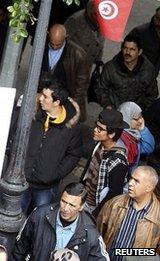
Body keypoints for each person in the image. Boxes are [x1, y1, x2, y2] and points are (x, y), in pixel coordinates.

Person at [22, 78, 82, 213]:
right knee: (15, 217)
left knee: (40, 221)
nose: (40, 99)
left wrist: (56, 173)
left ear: (56, 102)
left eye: (45, 97)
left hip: (46, 186)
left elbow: (74, 154)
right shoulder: (34, 116)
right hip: (22, 180)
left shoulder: (71, 127)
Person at [12, 182, 110, 260]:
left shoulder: (91, 234)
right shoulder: (40, 214)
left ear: (81, 207)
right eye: (64, 201)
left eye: (72, 205)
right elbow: (20, 246)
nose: (65, 208)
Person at [97, 166, 160, 259]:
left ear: (149, 188)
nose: (130, 183)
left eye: (136, 181)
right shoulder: (115, 204)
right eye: (131, 179)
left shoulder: (157, 216)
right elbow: (97, 234)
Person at [81, 109, 129, 215]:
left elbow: (114, 194)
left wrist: (96, 214)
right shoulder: (99, 145)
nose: (95, 130)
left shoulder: (118, 162)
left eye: (100, 129)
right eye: (96, 126)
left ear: (112, 134)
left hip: (96, 208)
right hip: (85, 199)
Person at [41, 24, 91, 121]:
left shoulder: (78, 55)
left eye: (58, 45)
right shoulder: (42, 47)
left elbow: (82, 85)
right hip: (44, 96)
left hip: (65, 99)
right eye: (52, 44)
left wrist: (72, 106)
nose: (55, 47)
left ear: (66, 37)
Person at [95, 34, 158, 111]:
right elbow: (101, 89)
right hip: (114, 111)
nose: (127, 52)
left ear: (139, 52)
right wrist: (108, 105)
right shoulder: (110, 68)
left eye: (132, 49)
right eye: (125, 48)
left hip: (136, 115)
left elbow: (152, 95)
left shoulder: (148, 70)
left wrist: (140, 109)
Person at [118, 102, 155, 173]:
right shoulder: (121, 138)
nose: (141, 121)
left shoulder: (134, 133)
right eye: (137, 119)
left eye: (141, 116)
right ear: (127, 118)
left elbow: (148, 148)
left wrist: (143, 129)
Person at [64, 0, 104, 67]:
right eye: (95, 14)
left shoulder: (103, 21)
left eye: (101, 14)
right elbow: (62, 38)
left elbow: (100, 42)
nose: (98, 18)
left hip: (88, 65)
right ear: (90, 10)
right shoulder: (76, 20)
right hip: (72, 63)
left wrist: (98, 60)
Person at [127, 7, 160, 74]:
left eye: (159, 19)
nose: (156, 20)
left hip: (151, 75)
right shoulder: (140, 32)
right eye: (156, 17)